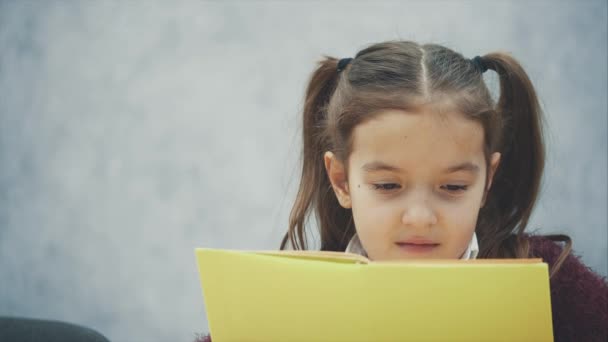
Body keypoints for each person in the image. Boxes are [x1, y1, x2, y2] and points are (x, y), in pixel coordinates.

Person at [196, 40, 607, 342]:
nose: (420, 217)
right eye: (388, 185)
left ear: (487, 181)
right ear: (341, 181)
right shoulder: (284, 302)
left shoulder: (552, 282)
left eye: (453, 186)